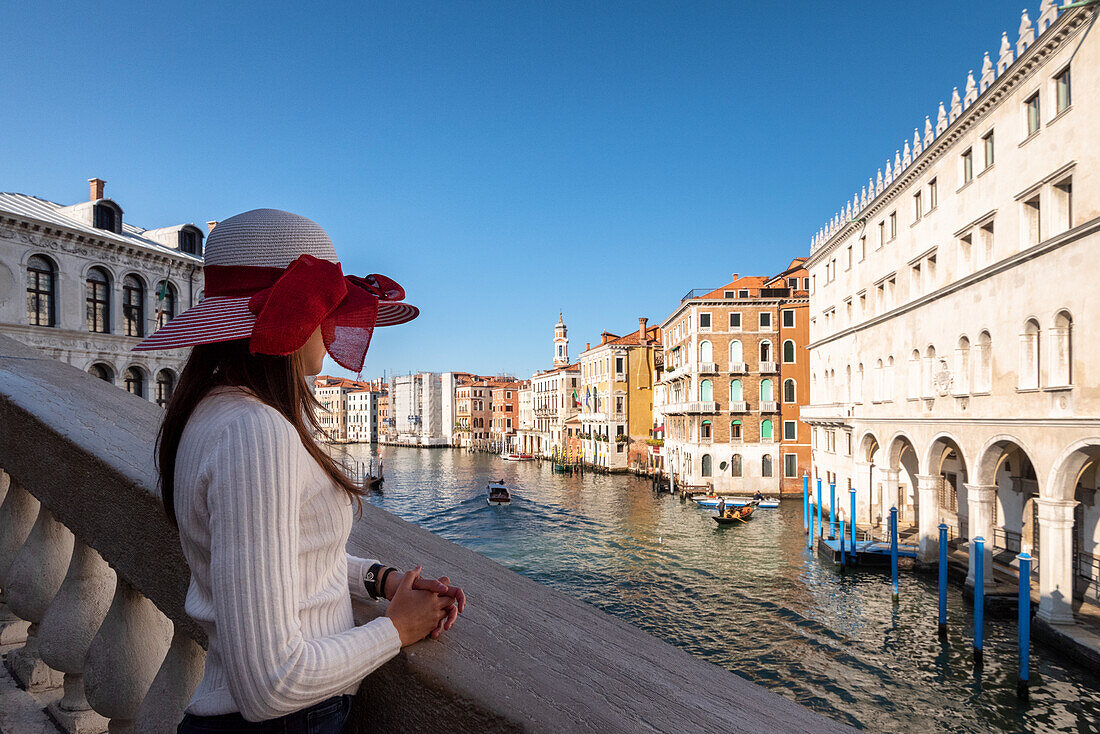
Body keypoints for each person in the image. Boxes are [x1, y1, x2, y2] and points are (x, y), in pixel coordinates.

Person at [135, 209, 466, 732]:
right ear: (295, 313)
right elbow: (271, 684)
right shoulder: (255, 432)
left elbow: (290, 556)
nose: (333, 328)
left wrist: (379, 579)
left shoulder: (212, 409)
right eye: (328, 309)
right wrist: (397, 629)